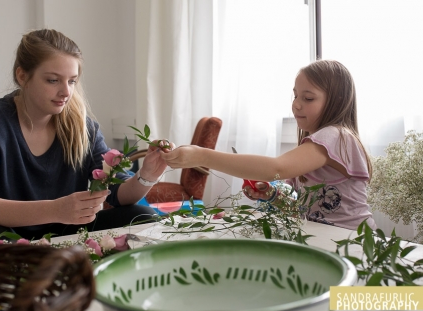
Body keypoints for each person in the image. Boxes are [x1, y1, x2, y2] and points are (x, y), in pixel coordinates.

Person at [0, 29, 173, 240]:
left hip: (67, 234)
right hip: (13, 236)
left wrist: (147, 175)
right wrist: (54, 210)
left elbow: (117, 193)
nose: (66, 92)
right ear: (22, 76)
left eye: (72, 81)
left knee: (143, 216)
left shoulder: (81, 125)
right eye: (53, 80)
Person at [161, 60, 376, 230]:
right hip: (324, 239)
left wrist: (202, 156)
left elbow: (276, 169)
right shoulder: (313, 147)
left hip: (353, 243)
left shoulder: (336, 136)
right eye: (295, 95)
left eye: (308, 98)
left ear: (336, 101)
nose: (296, 104)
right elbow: (302, 210)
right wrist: (272, 196)